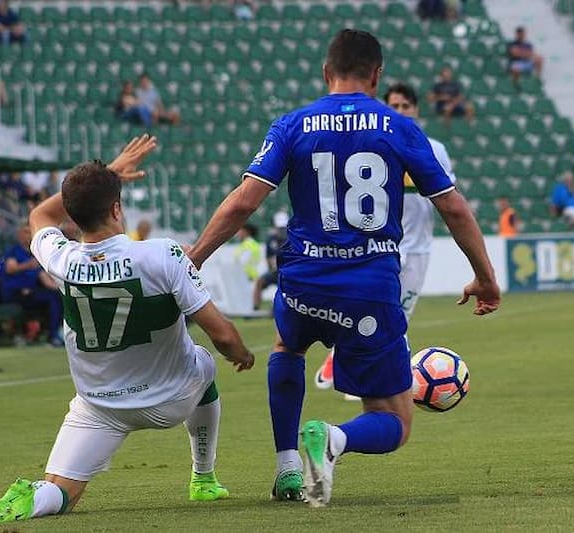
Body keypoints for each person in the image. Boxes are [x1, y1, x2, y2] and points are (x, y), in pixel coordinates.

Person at [187, 29, 500, 506]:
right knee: (394, 420)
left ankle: (287, 467)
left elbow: (242, 204)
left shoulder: (292, 124)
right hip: (368, 288)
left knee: (288, 347)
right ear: (376, 75)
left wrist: (192, 259)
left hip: (302, 281)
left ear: (325, 72)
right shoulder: (398, 127)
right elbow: (453, 208)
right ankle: (335, 439)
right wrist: (485, 276)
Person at [0, 135, 255, 524]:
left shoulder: (62, 258)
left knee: (61, 492)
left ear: (73, 219)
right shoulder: (161, 253)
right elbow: (224, 336)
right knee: (205, 361)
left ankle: (36, 498)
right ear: (117, 208)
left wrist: (108, 172)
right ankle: (203, 476)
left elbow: (40, 216)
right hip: (168, 400)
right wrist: (241, 354)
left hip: (99, 405)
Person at [314, 82, 458, 393]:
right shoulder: (374, 144)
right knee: (390, 318)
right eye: (395, 106)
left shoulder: (435, 149)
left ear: (416, 110)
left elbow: (447, 195)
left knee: (400, 314)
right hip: (384, 244)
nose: (401, 112)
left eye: (406, 106)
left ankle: (341, 355)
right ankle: (378, 382)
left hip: (419, 246)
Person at [1, 223, 63, 346]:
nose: (28, 235)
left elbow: (43, 276)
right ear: (19, 235)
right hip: (17, 292)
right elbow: (10, 268)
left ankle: (56, 332)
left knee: (57, 296)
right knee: (52, 299)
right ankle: (52, 335)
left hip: (33, 291)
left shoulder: (36, 252)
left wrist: (60, 288)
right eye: (25, 232)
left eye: (30, 232)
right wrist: (28, 265)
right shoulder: (13, 251)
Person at [253, 211, 288, 310]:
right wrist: (272, 267)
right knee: (259, 281)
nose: (282, 230)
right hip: (275, 272)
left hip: (288, 272)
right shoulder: (270, 240)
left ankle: (279, 308)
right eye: (280, 228)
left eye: (283, 228)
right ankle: (256, 308)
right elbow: (268, 257)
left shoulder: (292, 239)